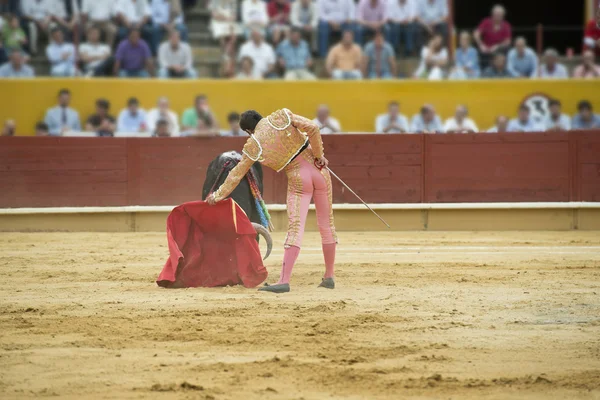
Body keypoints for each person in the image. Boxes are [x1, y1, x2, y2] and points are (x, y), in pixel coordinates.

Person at [206, 109, 337, 293]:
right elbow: (314, 128)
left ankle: (284, 280)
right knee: (326, 224)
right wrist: (318, 155)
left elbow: (236, 174)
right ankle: (329, 276)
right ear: (261, 117)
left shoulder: (254, 143)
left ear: (248, 131)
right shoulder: (281, 116)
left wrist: (217, 195)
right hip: (320, 171)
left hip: (298, 177)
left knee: (295, 228)